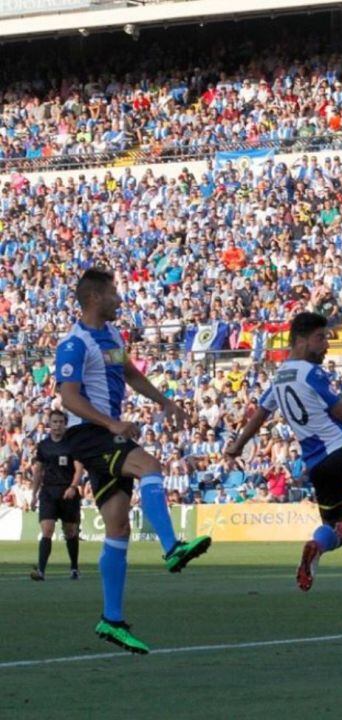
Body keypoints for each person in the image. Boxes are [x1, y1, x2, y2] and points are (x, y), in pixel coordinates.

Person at [55, 267, 213, 654]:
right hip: (89, 434)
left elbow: (130, 375)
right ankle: (171, 547)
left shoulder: (110, 336)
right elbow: (69, 399)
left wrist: (165, 402)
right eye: (113, 293)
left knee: (118, 528)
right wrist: (113, 423)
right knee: (151, 467)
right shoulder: (74, 344)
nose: (119, 299)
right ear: (94, 298)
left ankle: (111, 619)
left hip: (106, 433)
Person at [226, 312, 342, 594]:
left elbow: (261, 413)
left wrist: (237, 445)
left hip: (316, 464)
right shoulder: (312, 373)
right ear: (299, 340)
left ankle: (317, 547)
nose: (325, 345)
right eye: (320, 338)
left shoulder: (279, 378)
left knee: (334, 529)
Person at [30, 410, 84, 581]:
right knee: (47, 530)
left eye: (61, 421)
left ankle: (74, 568)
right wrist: (33, 494)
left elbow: (79, 469)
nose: (58, 424)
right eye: (54, 421)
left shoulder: (72, 445)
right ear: (49, 423)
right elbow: (38, 471)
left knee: (70, 531)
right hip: (48, 492)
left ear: (65, 423)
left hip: (68, 492)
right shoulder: (43, 445)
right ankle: (41, 571)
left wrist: (73, 487)